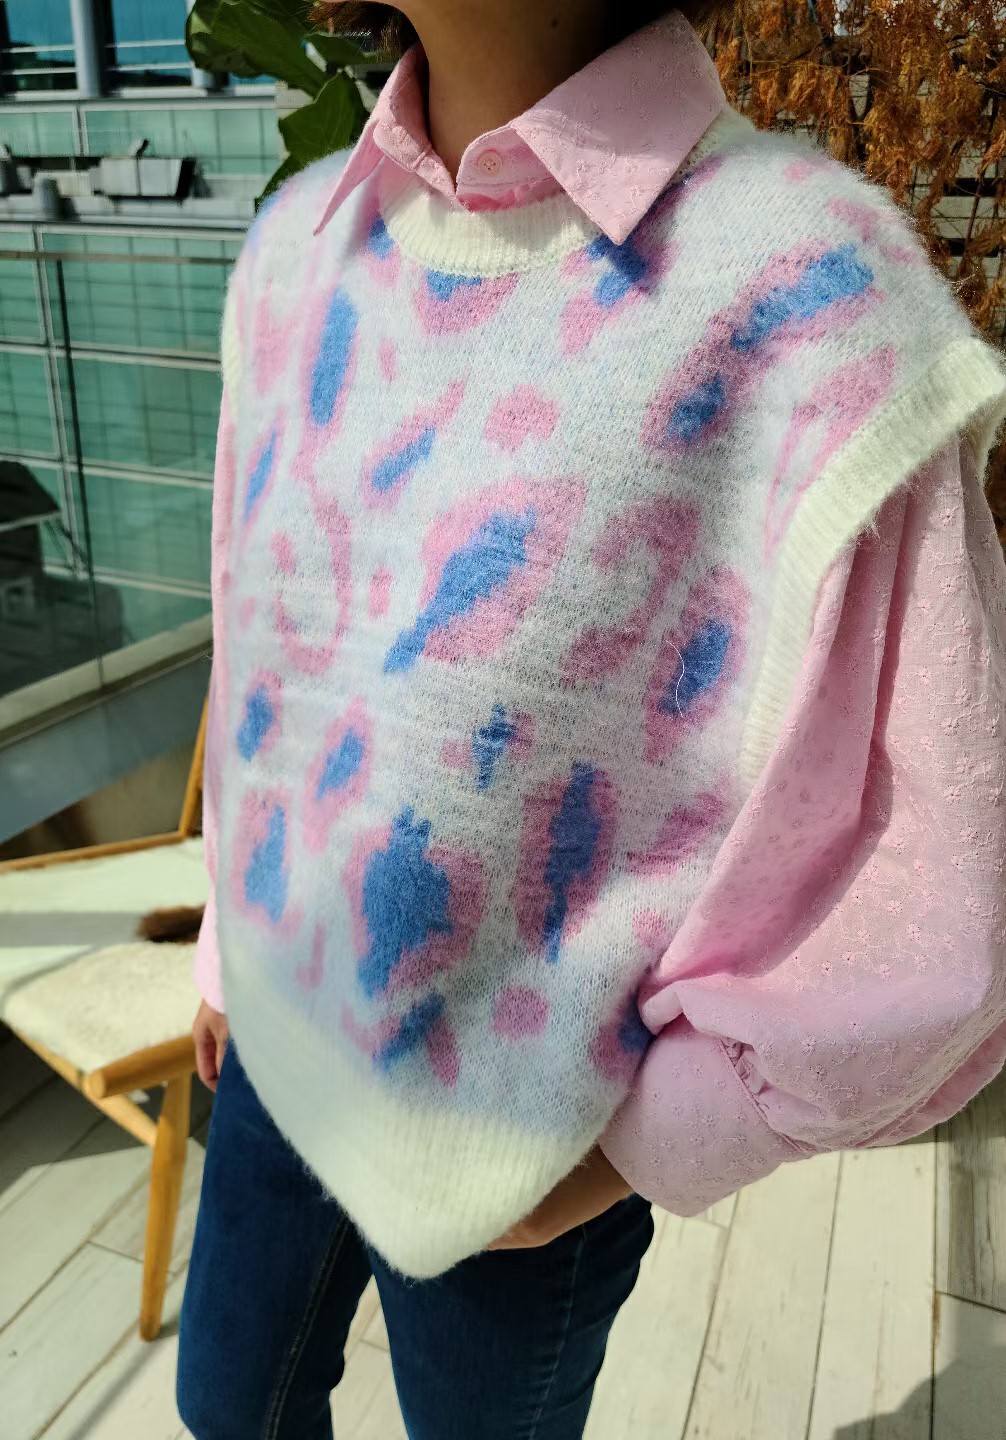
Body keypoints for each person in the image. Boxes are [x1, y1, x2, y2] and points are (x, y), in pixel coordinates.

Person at [176, 2, 1006, 1436]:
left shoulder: (809, 296)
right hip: (278, 1023)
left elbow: (934, 866)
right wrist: (222, 933)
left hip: (529, 1126)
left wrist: (657, 1139)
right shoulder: (302, 244)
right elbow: (271, 642)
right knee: (229, 1409)